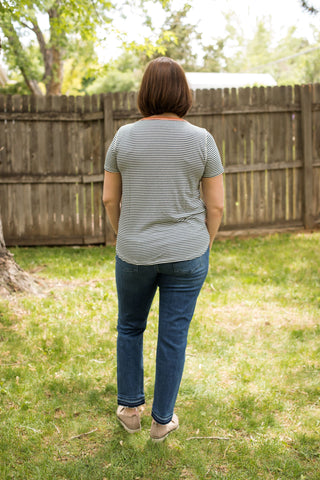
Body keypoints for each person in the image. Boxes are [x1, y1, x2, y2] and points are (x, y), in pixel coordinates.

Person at [103, 57, 224, 442]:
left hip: (134, 251)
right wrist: (205, 242)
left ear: (145, 92)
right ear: (184, 93)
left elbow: (109, 199)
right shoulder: (202, 139)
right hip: (188, 252)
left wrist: (127, 235)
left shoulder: (123, 137)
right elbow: (216, 205)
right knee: (174, 335)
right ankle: (162, 421)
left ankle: (129, 409)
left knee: (130, 326)